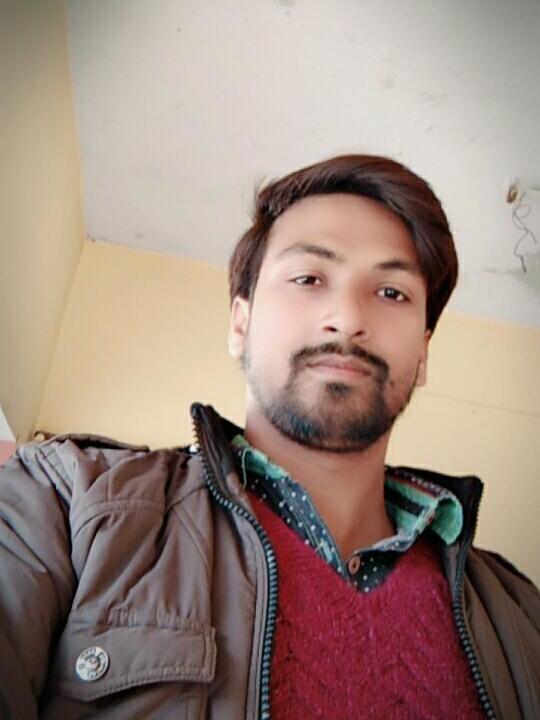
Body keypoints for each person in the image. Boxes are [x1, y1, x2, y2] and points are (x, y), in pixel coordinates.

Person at [0, 155, 538, 720]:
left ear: (423, 353)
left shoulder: (520, 613)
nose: (347, 317)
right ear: (241, 323)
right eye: (309, 278)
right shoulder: (67, 502)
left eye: (391, 292)